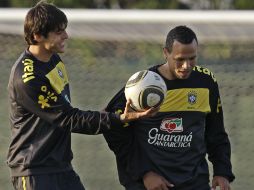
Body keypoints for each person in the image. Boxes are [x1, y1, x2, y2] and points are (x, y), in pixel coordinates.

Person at [6, 1, 158, 190]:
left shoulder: (53, 59)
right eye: (59, 32)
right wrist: (118, 118)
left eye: (65, 30)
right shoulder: (29, 78)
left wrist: (104, 117)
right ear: (37, 36)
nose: (66, 36)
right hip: (35, 171)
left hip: (61, 167)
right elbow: (68, 118)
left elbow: (65, 112)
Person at [103, 25, 235, 190]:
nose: (186, 65)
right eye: (180, 59)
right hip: (151, 185)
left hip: (194, 183)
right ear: (166, 53)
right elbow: (110, 125)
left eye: (192, 58)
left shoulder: (206, 82)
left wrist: (222, 171)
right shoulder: (143, 85)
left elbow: (215, 131)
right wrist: (144, 173)